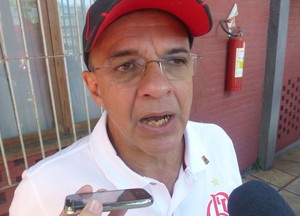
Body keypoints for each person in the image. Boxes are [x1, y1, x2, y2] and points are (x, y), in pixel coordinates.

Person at [9, 0, 242, 215]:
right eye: (127, 66)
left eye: (175, 61)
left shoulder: (218, 143)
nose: (158, 86)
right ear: (95, 88)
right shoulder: (41, 192)